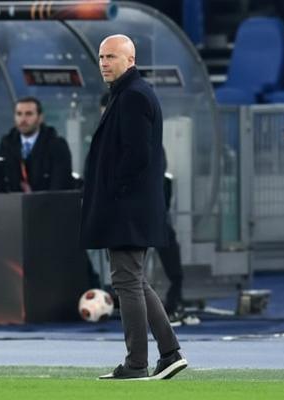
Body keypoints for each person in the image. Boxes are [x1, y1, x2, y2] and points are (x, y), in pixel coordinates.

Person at [80, 34, 186, 380]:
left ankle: (136, 363)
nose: (104, 63)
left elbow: (137, 155)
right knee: (134, 281)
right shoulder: (130, 93)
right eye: (101, 57)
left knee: (127, 282)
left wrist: (111, 191)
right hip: (131, 205)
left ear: (131, 60)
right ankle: (169, 352)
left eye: (111, 57)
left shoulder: (133, 96)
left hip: (127, 207)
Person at [99, 92, 195, 327]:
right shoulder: (103, 143)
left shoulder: (143, 139)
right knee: (130, 274)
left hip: (142, 210)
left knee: (141, 266)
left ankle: (171, 302)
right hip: (117, 214)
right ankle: (154, 330)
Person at [0, 97, 73, 193]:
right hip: (12, 201)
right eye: (19, 114)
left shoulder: (57, 145)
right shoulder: (6, 144)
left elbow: (60, 185)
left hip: (46, 201)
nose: (23, 119)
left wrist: (33, 197)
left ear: (40, 118)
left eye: (28, 114)